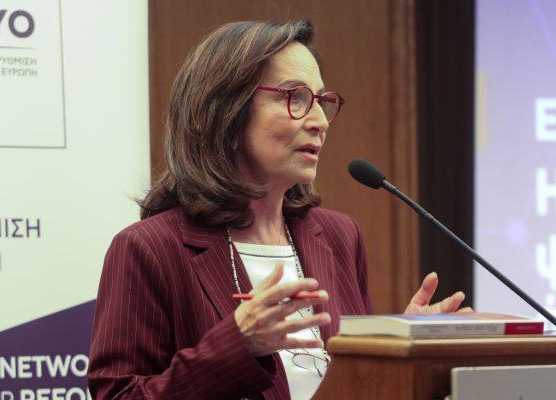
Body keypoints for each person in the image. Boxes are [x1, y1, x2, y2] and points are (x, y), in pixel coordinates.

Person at [87, 20, 468, 400]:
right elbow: (119, 395)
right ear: (225, 110)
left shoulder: (339, 236)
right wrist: (237, 346)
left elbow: (351, 384)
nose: (319, 122)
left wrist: (401, 346)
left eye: (321, 101)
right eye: (295, 97)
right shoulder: (149, 248)